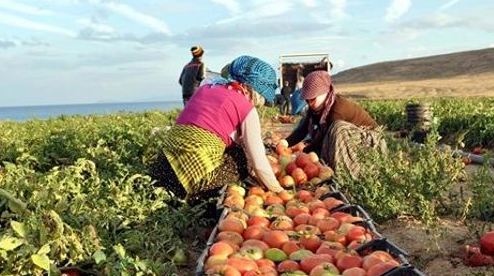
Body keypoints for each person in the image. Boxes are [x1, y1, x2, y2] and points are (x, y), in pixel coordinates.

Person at [153, 55, 284, 203]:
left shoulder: (205, 89)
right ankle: (200, 197)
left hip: (163, 171)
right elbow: (258, 163)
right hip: (194, 182)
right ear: (255, 90)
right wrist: (280, 192)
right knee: (244, 157)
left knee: (232, 147)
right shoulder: (245, 107)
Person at [281, 70, 387, 177]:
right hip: (349, 139)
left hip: (368, 141)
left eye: (312, 99)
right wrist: (284, 143)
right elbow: (302, 129)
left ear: (324, 93)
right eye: (307, 100)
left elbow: (325, 137)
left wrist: (302, 154)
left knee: (337, 128)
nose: (309, 103)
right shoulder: (316, 109)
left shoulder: (338, 108)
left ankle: (349, 174)